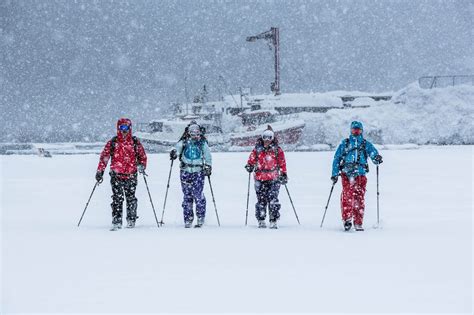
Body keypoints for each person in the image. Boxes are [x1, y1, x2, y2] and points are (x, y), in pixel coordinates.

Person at [96, 118, 147, 230]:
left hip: (131, 175)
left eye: (126, 128)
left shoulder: (135, 142)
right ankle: (117, 220)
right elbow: (104, 158)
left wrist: (142, 166)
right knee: (117, 199)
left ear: (130, 128)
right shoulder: (113, 142)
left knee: (131, 198)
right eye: (122, 128)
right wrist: (100, 171)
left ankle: (131, 220)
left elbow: (142, 156)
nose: (124, 131)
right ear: (118, 128)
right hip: (116, 176)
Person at [331, 121, 383, 231]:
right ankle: (347, 219)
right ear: (350, 130)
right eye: (354, 129)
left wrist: (376, 158)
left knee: (360, 198)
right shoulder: (344, 143)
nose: (356, 131)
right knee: (347, 196)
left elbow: (373, 153)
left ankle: (358, 222)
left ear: (361, 131)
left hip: (360, 175)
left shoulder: (365, 144)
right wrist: (334, 174)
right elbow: (337, 159)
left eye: (358, 130)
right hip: (347, 174)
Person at [169, 121, 212, 228]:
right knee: (187, 195)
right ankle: (188, 218)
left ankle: (200, 216)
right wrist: (174, 152)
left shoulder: (202, 143)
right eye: (193, 134)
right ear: (189, 133)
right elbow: (177, 148)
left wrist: (208, 166)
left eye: (197, 134)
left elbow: (208, 155)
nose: (195, 136)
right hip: (185, 171)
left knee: (198, 194)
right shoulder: (184, 142)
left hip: (198, 171)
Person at [245, 126, 288, 229]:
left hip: (274, 178)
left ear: (272, 138)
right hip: (260, 178)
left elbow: (282, 163)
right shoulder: (257, 150)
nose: (267, 140)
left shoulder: (277, 150)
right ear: (262, 138)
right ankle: (261, 219)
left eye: (269, 137)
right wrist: (249, 166)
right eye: (265, 137)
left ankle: (273, 219)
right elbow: (251, 160)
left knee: (273, 199)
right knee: (261, 200)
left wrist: (283, 174)